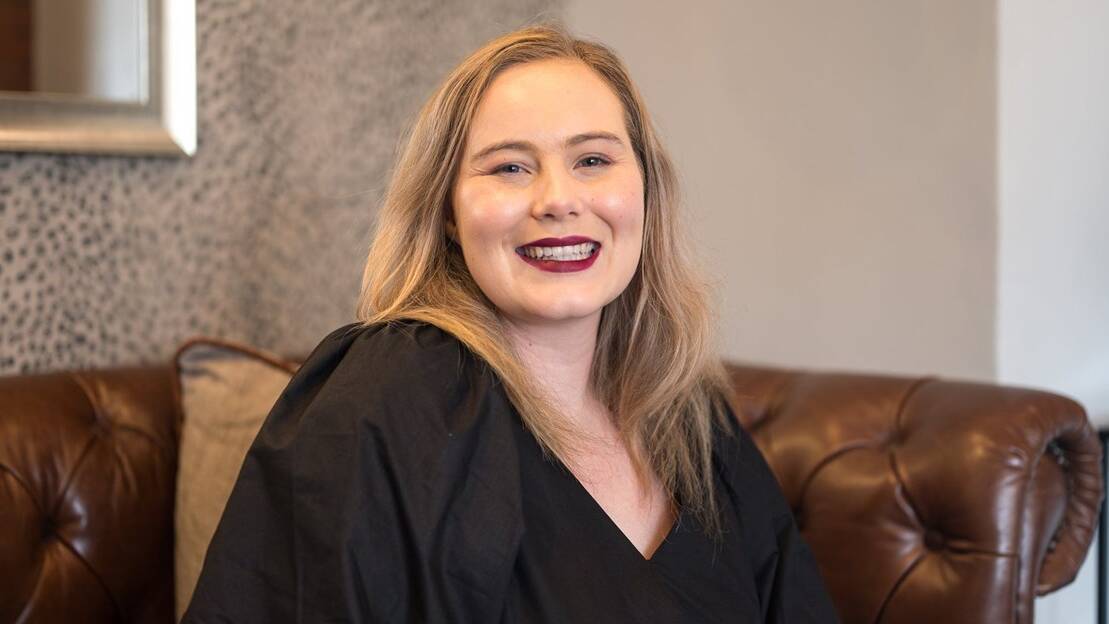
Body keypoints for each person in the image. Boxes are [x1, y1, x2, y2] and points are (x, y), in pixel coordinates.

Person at [183, 24, 838, 623]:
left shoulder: (694, 418)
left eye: (592, 160)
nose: (557, 200)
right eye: (509, 168)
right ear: (448, 213)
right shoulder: (393, 390)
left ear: (646, 191)